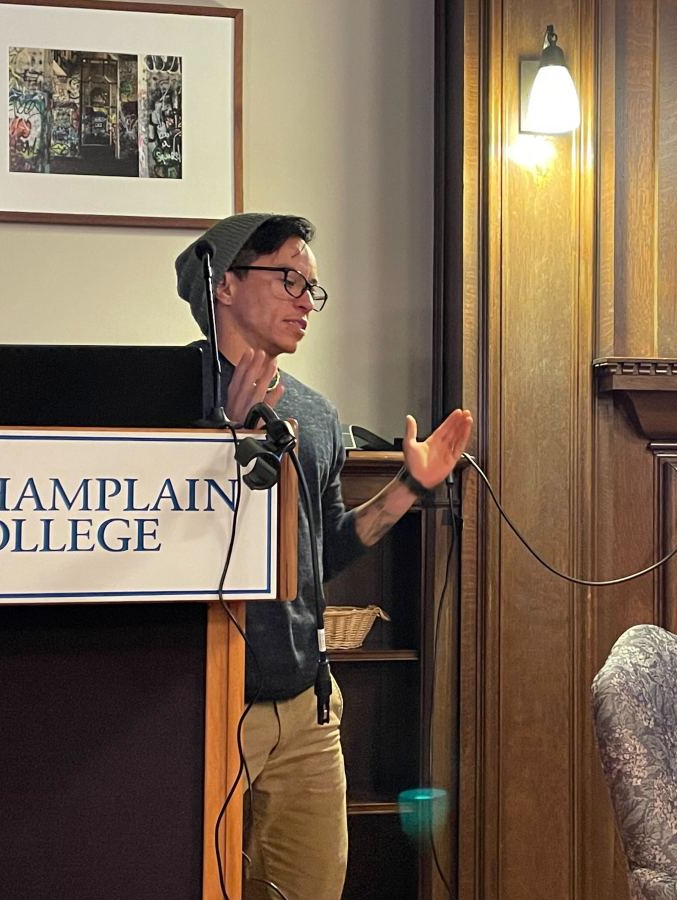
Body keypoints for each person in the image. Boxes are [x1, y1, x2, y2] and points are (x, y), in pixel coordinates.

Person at [174, 213, 472, 900]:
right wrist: (221, 436)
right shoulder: (167, 395)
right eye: (289, 279)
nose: (307, 301)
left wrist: (410, 486)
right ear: (223, 284)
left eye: (313, 288)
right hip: (203, 708)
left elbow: (324, 548)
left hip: (308, 713)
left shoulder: (316, 416)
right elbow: (161, 539)